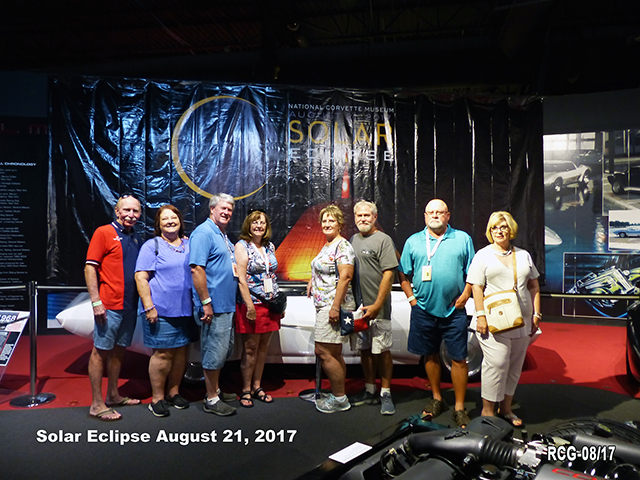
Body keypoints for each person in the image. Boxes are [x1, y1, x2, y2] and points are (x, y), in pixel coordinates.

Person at [398, 198, 475, 428]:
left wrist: (466, 294)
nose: (435, 215)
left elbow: (473, 272)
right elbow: (403, 273)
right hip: (423, 309)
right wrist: (411, 299)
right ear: (424, 216)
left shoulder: (462, 239)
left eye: (440, 212)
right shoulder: (413, 241)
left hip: (454, 310)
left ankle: (459, 407)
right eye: (430, 212)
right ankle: (437, 398)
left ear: (448, 215)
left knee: (459, 358)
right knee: (430, 355)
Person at [467, 211, 541, 427]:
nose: (499, 231)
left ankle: (506, 408)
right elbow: (476, 288)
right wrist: (480, 315)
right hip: (493, 320)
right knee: (496, 363)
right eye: (494, 228)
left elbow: (534, 285)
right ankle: (488, 411)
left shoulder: (523, 255)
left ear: (511, 230)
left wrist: (536, 314)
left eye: (503, 227)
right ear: (489, 232)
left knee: (515, 365)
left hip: (522, 319)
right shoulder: (482, 255)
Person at [135, 205, 198, 417]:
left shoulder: (190, 244)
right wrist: (149, 307)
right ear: (158, 224)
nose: (170, 221)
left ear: (180, 220)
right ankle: (157, 398)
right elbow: (140, 277)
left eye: (174, 217)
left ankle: (173, 393)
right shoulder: (151, 246)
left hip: (186, 310)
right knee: (162, 355)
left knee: (181, 354)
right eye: (165, 219)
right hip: (160, 311)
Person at [85, 194, 143, 421]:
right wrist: (96, 301)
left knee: (119, 351)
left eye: (135, 211)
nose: (131, 215)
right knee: (100, 352)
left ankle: (113, 395)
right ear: (117, 211)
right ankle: (96, 404)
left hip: (130, 306)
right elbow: (90, 268)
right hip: (109, 306)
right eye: (126, 210)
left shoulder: (136, 238)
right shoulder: (103, 232)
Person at [190, 193, 239, 416]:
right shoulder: (203, 233)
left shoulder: (222, 234)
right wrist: (206, 303)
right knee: (213, 352)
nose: (227, 212)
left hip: (226, 305)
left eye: (230, 209)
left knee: (222, 351)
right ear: (212, 209)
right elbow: (196, 269)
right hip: (214, 306)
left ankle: (216, 390)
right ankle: (211, 399)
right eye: (223, 208)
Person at [348, 200, 398, 415]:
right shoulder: (353, 240)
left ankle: (386, 393)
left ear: (375, 217)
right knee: (365, 350)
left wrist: (378, 304)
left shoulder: (384, 240)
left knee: (382, 350)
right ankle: (369, 390)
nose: (363, 219)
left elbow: (389, 273)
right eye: (359, 216)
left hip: (379, 309)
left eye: (367, 215)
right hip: (359, 309)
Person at [307, 204, 355, 413]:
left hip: (332, 306)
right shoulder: (328, 245)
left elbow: (345, 277)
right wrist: (313, 280)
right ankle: (339, 394)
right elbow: (327, 270)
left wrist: (335, 307)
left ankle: (340, 399)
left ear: (339, 224)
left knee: (323, 351)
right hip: (324, 304)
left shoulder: (342, 246)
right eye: (324, 220)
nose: (327, 224)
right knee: (334, 352)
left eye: (331, 220)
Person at [235, 209, 283, 407]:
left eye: (262, 222)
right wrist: (249, 306)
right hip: (252, 304)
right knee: (250, 348)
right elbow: (241, 279)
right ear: (249, 224)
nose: (259, 226)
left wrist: (278, 303)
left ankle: (257, 386)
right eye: (255, 222)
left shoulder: (269, 246)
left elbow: (272, 276)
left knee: (263, 347)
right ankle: (246, 390)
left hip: (270, 304)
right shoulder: (242, 246)